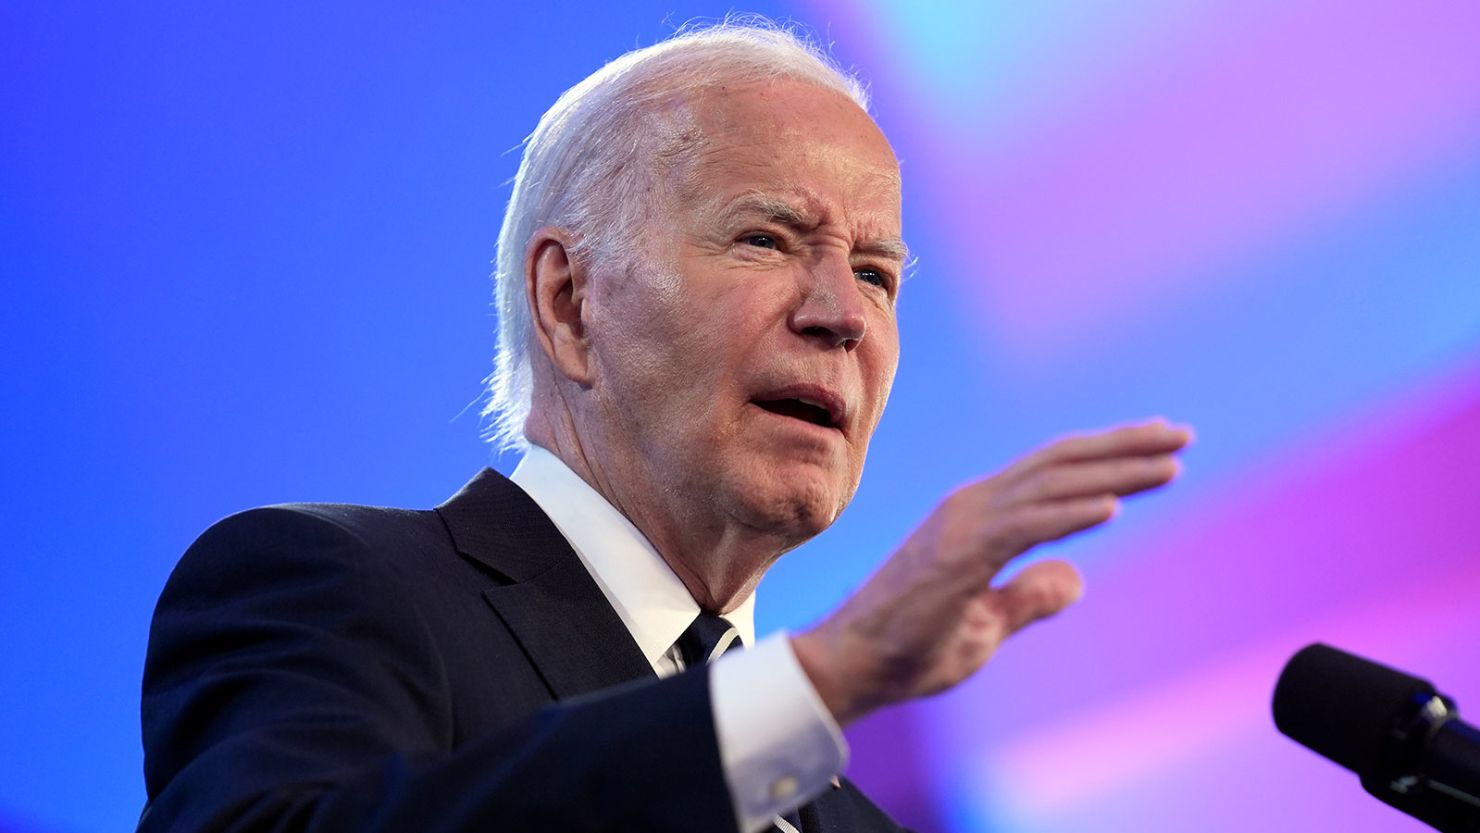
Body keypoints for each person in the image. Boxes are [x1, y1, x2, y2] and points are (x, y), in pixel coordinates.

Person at [139, 20, 1192, 833]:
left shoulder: (846, 813)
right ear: (568, 302)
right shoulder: (333, 586)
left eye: (877, 272)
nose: (843, 313)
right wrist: (816, 680)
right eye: (765, 237)